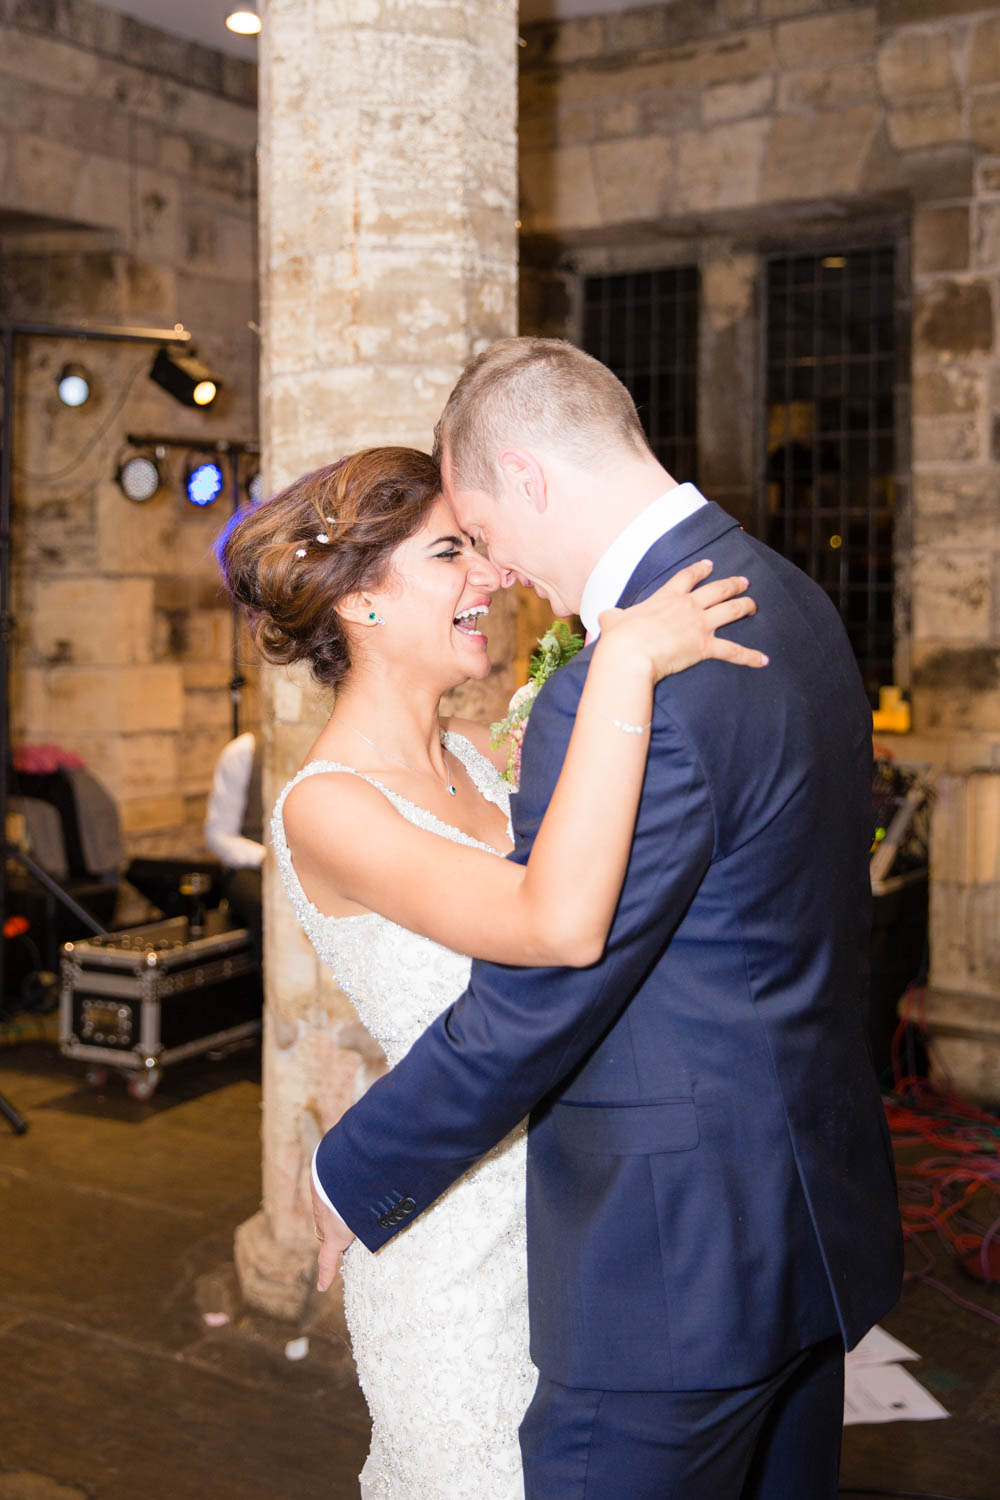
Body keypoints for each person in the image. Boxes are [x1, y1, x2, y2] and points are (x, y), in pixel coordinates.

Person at [311, 340, 904, 1499]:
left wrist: (350, 1172)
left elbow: (549, 983)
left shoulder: (629, 675)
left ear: (527, 480)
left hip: (670, 1273)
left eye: (479, 529)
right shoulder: (791, 596)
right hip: (807, 1224)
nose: (498, 568)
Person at [217, 444, 765, 1499]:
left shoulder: (474, 755)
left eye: (482, 548)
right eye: (450, 554)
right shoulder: (326, 807)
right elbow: (547, 926)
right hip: (452, 1237)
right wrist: (618, 664)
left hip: (569, 1207)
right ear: (361, 602)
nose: (494, 577)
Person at [203, 730, 264, 949]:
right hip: (252, 866)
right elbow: (218, 834)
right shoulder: (243, 752)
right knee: (266, 905)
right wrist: (266, 858)